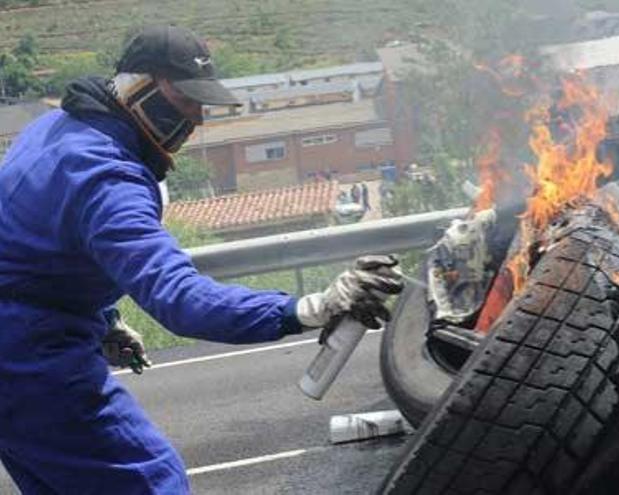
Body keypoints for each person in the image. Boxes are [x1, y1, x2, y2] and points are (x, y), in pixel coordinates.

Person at [0, 26, 403, 494]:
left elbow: (31, 240)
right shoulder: (107, 179)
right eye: (185, 100)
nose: (196, 118)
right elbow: (183, 301)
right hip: (28, 359)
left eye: (201, 103)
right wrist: (307, 308)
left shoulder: (56, 127)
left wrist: (102, 319)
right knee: (152, 481)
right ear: (137, 86)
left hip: (21, 342)